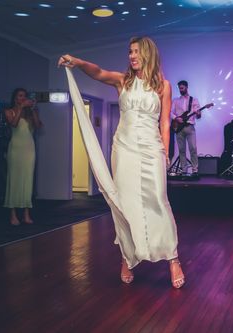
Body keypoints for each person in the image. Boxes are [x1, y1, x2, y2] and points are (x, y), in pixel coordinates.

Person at [58, 36, 185, 289]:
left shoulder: (163, 86)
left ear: (148, 54)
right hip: (124, 149)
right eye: (129, 52)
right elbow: (98, 72)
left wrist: (166, 150)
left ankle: (173, 258)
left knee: (158, 200)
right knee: (125, 204)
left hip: (151, 148)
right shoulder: (122, 80)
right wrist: (78, 61)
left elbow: (165, 122)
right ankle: (128, 257)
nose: (131, 56)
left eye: (136, 51)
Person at [4, 88, 42, 226]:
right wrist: (20, 107)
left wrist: (32, 110)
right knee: (14, 179)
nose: (23, 98)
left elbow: (38, 126)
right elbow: (13, 123)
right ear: (15, 98)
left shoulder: (31, 112)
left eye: (24, 96)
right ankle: (13, 214)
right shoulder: (9, 111)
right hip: (15, 148)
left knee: (27, 179)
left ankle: (26, 214)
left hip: (29, 149)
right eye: (20, 96)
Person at [171, 80, 201, 177]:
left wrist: (198, 113)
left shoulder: (194, 100)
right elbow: (170, 112)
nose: (180, 90)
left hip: (190, 127)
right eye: (179, 88)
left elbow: (199, 116)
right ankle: (184, 170)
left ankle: (195, 170)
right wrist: (176, 118)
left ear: (186, 87)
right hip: (179, 128)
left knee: (193, 148)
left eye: (182, 88)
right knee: (181, 150)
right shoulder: (175, 100)